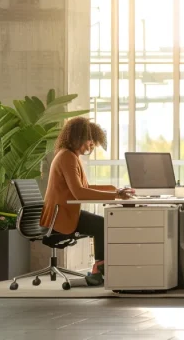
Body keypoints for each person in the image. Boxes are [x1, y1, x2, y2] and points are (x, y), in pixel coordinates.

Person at [41, 117, 135, 286]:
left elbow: (85, 186)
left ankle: (100, 268)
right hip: (61, 216)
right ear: (77, 138)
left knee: (102, 224)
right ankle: (99, 269)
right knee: (103, 225)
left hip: (65, 212)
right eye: (88, 140)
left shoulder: (70, 155)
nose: (90, 145)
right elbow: (79, 193)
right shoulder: (67, 158)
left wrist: (116, 191)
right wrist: (115, 195)